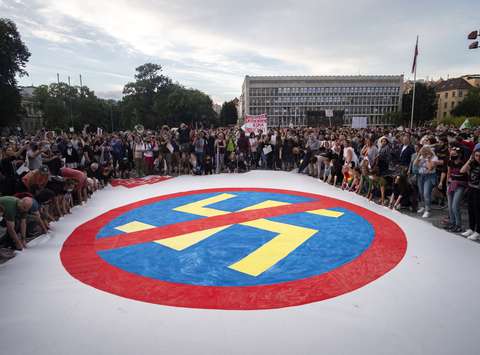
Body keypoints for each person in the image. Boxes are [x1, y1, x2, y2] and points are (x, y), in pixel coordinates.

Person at [460, 144, 480, 240]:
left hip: (478, 191)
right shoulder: (473, 164)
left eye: (479, 156)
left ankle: (478, 232)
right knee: (470, 210)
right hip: (471, 189)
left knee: (477, 211)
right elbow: (462, 170)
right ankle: (471, 228)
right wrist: (470, 159)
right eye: (476, 155)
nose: (478, 158)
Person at [414, 146, 438, 218]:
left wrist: (428, 158)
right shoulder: (421, 156)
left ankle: (428, 210)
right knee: (421, 192)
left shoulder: (434, 157)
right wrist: (418, 155)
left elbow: (430, 168)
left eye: (424, 151)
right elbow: (415, 164)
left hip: (429, 177)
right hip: (421, 176)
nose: (423, 152)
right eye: (422, 151)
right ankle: (423, 206)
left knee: (426, 193)